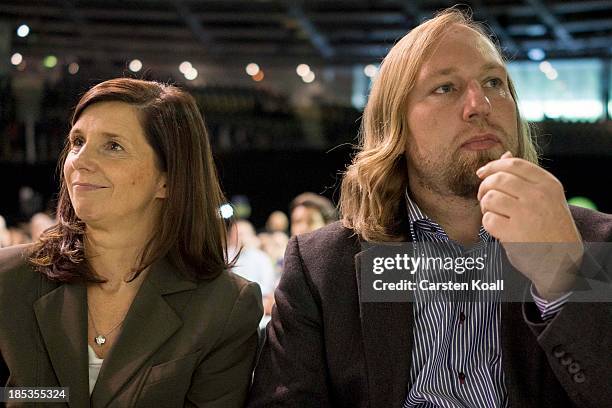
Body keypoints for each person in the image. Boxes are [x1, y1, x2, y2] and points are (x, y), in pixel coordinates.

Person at [247, 9, 612, 408]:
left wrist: (565, 279)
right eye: (445, 88)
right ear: (395, 126)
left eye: (494, 82)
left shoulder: (597, 243)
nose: (480, 104)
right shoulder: (322, 267)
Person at [0, 78, 262, 407]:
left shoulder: (225, 306)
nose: (79, 160)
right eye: (78, 141)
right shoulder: (8, 279)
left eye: (113, 146)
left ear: (167, 179)